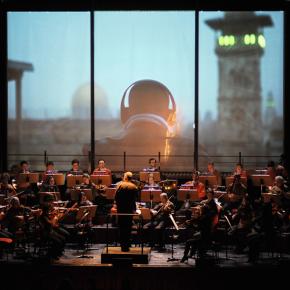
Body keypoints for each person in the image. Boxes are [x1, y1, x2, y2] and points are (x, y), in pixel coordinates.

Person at [180, 188, 218, 262]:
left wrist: (203, 213)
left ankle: (187, 255)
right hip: (203, 230)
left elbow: (213, 213)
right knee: (193, 236)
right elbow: (199, 216)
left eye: (210, 194)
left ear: (212, 195)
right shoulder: (205, 204)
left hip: (206, 233)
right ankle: (190, 254)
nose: (208, 195)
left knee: (191, 240)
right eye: (207, 194)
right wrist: (191, 221)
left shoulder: (212, 205)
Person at [114, 171, 138, 251]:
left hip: (121, 210)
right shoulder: (134, 187)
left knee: (121, 227)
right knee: (128, 227)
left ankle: (122, 246)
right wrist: (134, 209)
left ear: (125, 177)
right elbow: (134, 200)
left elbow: (116, 198)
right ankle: (127, 245)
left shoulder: (119, 185)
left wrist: (118, 206)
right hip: (129, 210)